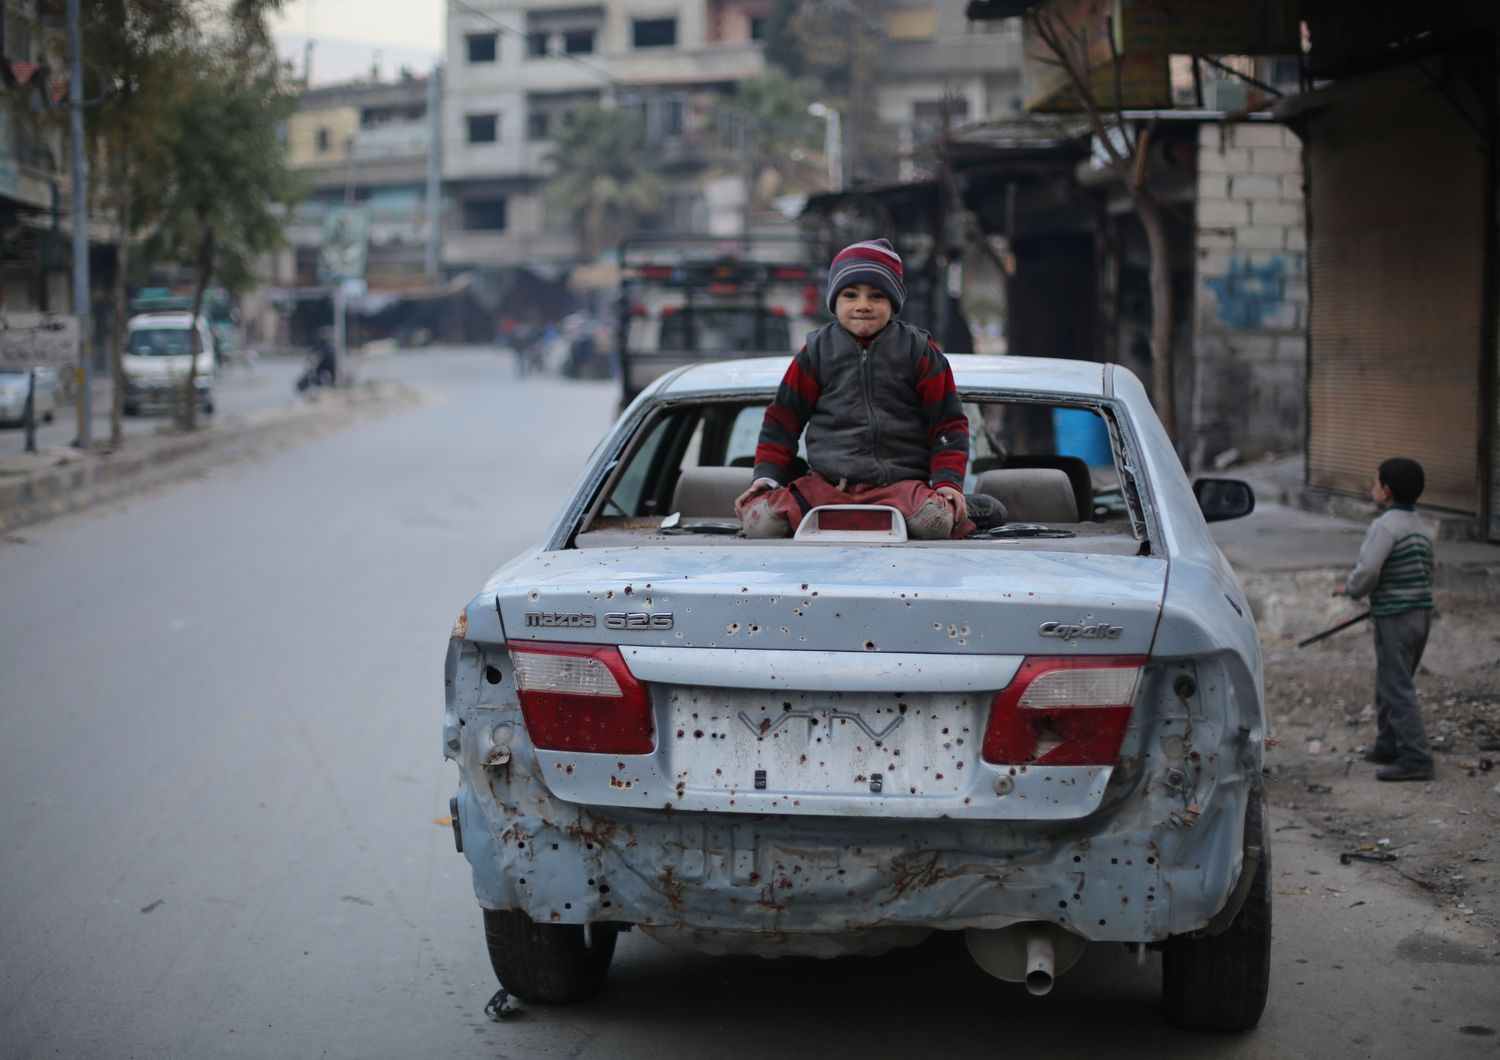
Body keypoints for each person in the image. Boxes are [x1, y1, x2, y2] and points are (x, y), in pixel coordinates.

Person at [734, 238, 974, 540]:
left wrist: (947, 484)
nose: (863, 305)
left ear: (894, 303)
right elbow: (782, 421)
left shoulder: (920, 351)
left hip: (900, 488)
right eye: (850, 295)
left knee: (935, 523)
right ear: (834, 301)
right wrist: (766, 478)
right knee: (760, 524)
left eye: (877, 296)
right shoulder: (815, 352)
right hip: (826, 488)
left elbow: (948, 424)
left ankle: (972, 507)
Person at [1333, 457, 1436, 782]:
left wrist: (1351, 589)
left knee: (1396, 686)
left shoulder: (1385, 526)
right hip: (1420, 614)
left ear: (1386, 491)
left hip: (1396, 616)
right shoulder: (1420, 526)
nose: (1373, 489)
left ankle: (1417, 757)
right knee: (1391, 681)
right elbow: (1429, 569)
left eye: (1375, 483)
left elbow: (1369, 570)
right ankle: (1388, 744)